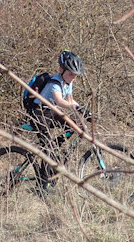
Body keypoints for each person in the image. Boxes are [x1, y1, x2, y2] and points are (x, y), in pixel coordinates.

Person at [27, 50, 89, 189]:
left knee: (77, 126)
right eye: (70, 74)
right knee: (49, 147)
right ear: (61, 70)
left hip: (52, 111)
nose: (73, 77)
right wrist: (74, 107)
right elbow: (60, 101)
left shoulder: (68, 82)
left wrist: (83, 111)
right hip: (39, 112)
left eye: (75, 75)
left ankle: (55, 146)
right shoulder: (55, 82)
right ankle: (41, 185)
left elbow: (71, 100)